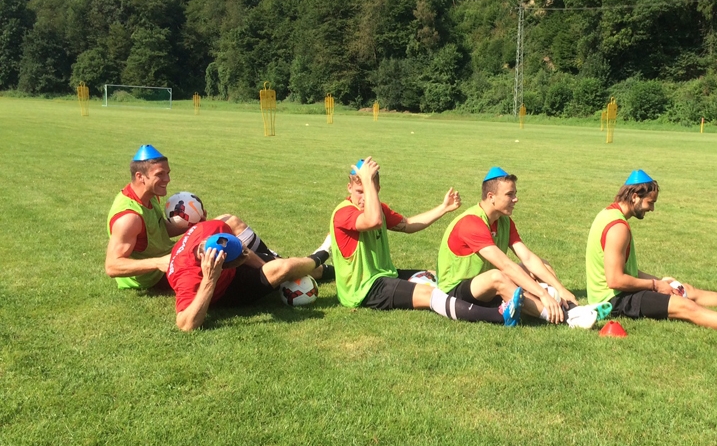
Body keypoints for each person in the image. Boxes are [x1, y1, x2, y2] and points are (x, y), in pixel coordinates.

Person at [586, 169, 717, 337]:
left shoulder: (608, 214)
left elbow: (625, 270)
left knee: (683, 290)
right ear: (635, 196)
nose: (652, 209)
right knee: (685, 306)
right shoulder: (618, 228)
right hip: (613, 302)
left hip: (619, 294)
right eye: (650, 202)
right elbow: (615, 280)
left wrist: (661, 282)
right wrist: (654, 285)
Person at [105, 144, 324, 291]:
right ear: (140, 176)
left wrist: (194, 223)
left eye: (168, 173)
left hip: (170, 254)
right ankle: (299, 269)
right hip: (157, 276)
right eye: (160, 175)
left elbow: (156, 232)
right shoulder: (129, 217)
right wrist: (159, 262)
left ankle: (281, 264)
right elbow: (113, 266)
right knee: (230, 256)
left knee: (228, 221)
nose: (168, 179)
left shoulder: (147, 195)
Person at [331, 158, 520, 325]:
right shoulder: (344, 212)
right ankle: (499, 315)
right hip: (364, 289)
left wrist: (443, 208)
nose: (364, 198)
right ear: (349, 188)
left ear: (377, 189)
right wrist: (367, 180)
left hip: (384, 275)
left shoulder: (378, 208)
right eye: (359, 191)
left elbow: (408, 224)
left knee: (433, 278)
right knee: (430, 295)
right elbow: (373, 221)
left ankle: (488, 298)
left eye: (369, 191)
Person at [436, 166, 594, 326]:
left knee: (543, 265)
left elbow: (528, 258)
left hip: (483, 282)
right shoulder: (471, 222)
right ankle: (566, 318)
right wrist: (542, 294)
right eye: (509, 194)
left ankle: (564, 304)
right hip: (455, 290)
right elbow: (505, 266)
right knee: (498, 277)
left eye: (515, 194)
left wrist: (560, 288)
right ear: (491, 196)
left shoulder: (504, 221)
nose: (515, 199)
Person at [167, 219, 330, 331]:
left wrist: (268, 271)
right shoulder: (188, 278)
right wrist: (210, 279)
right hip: (226, 290)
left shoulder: (214, 228)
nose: (246, 255)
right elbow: (186, 325)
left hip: (225, 265)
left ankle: (328, 269)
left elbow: (245, 252)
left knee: (289, 269)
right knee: (286, 267)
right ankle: (322, 254)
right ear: (222, 266)